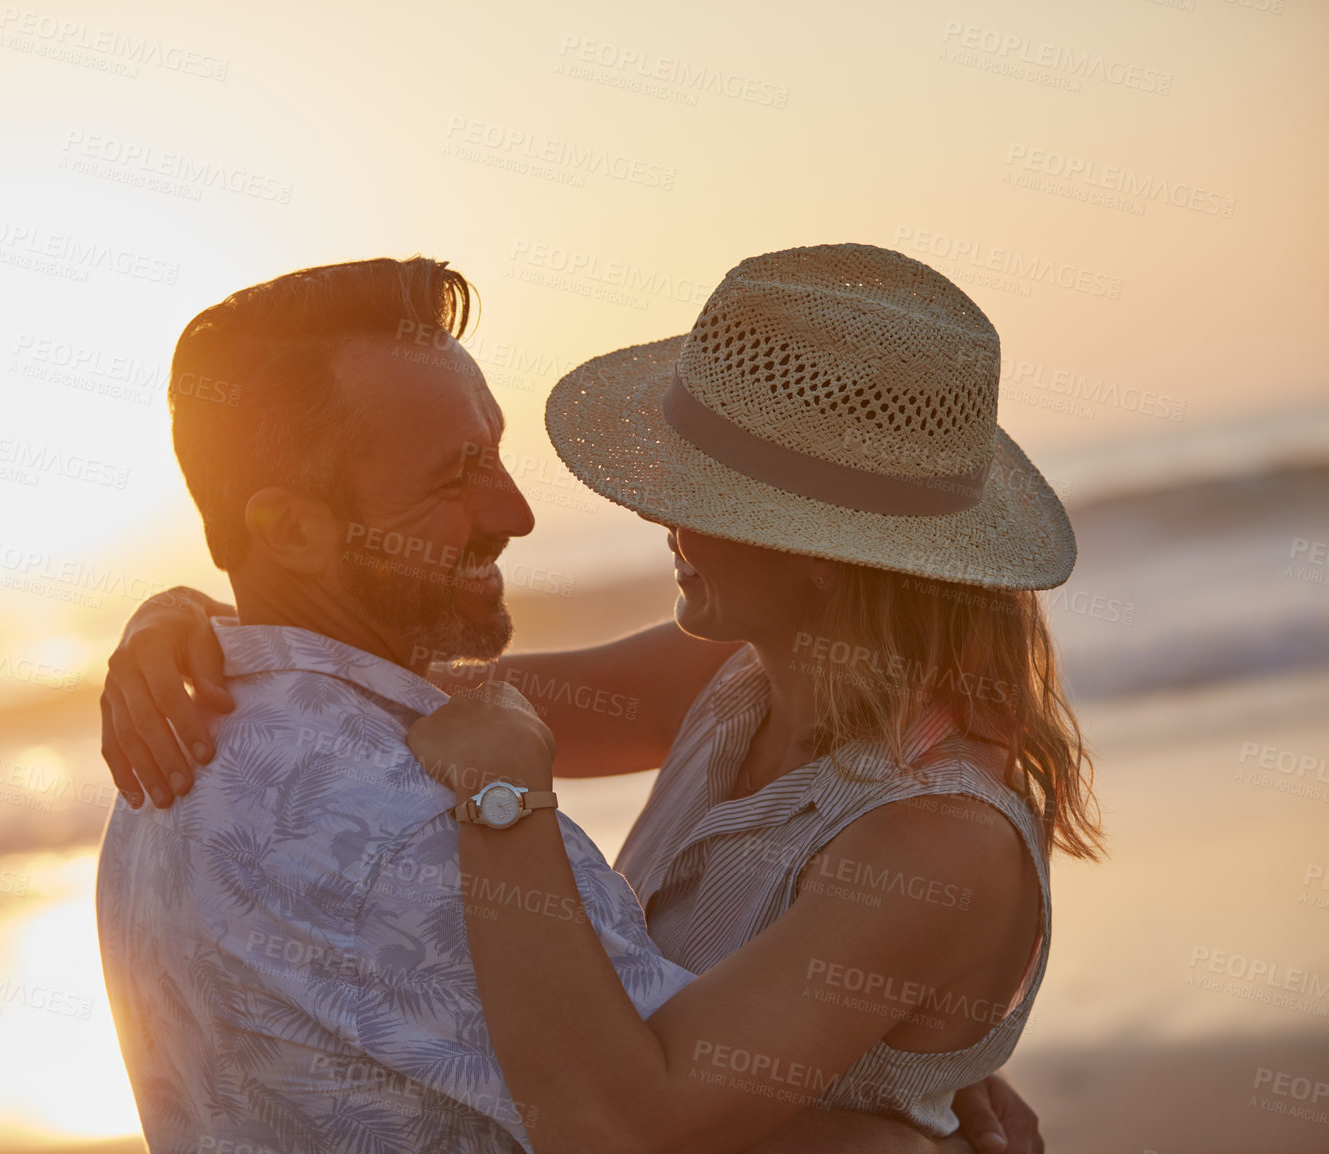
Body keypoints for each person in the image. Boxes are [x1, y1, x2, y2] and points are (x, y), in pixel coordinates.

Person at [101, 250, 1054, 1152]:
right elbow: (387, 686)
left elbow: (625, 1125)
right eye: (458, 472)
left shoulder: (938, 841)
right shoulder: (731, 682)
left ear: (818, 549)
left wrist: (505, 804)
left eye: (699, 487)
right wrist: (192, 616)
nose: (650, 510)